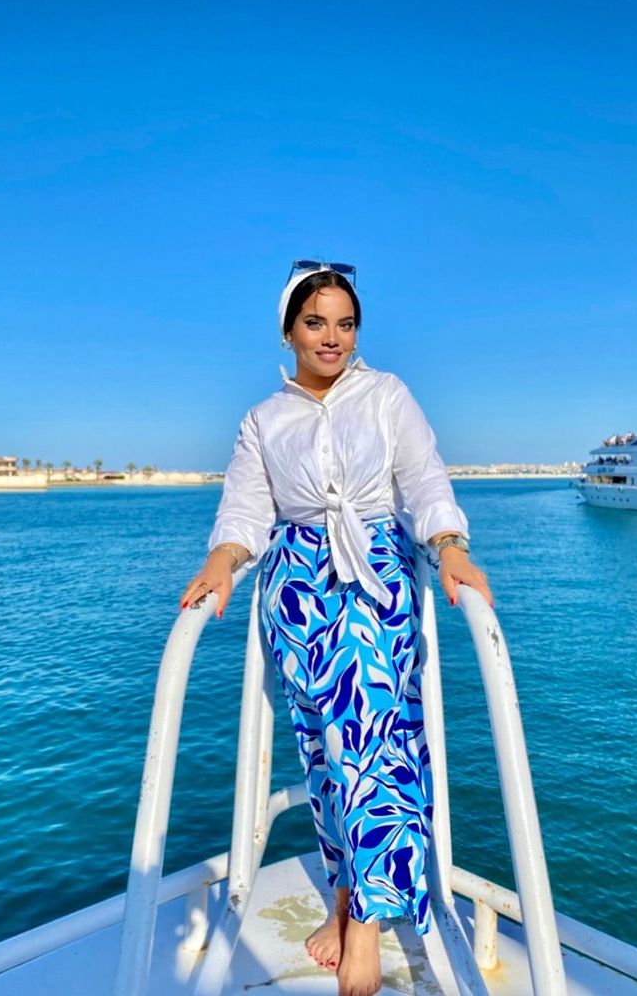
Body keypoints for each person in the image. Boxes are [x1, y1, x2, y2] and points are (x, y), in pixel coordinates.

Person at [180, 261, 493, 996]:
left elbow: (424, 479)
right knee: (324, 752)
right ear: (288, 330)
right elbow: (246, 509)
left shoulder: (387, 395)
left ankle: (368, 925)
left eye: (345, 324)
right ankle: (347, 895)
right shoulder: (263, 419)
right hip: (296, 591)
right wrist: (223, 561)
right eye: (315, 322)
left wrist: (450, 546)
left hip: (375, 580)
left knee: (375, 739)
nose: (332, 338)